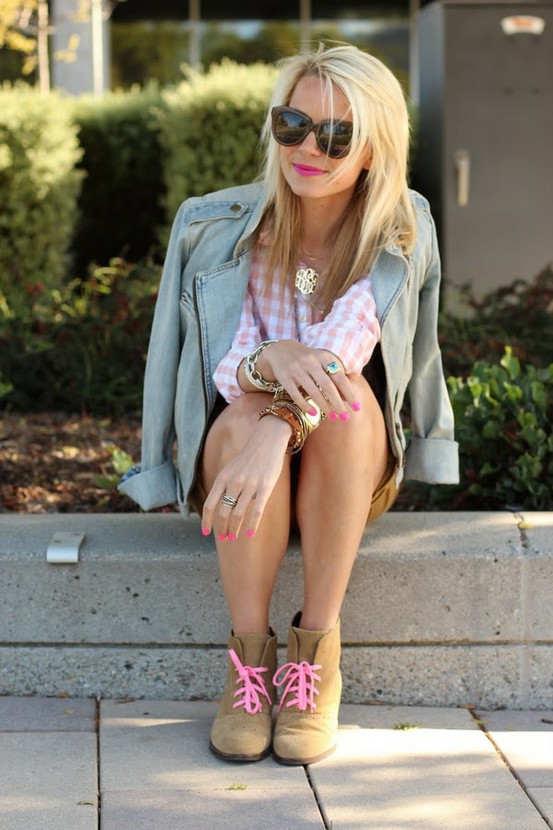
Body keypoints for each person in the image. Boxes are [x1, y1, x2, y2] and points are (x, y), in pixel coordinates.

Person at [119, 44, 459, 766]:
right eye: (293, 124)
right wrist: (267, 363)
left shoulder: (399, 229)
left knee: (343, 405)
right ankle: (249, 664)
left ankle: (314, 659)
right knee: (246, 411)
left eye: (336, 136)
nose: (307, 149)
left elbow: (346, 351)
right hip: (233, 449)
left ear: (373, 151)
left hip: (344, 457)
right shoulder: (213, 225)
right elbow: (210, 362)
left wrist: (279, 426)